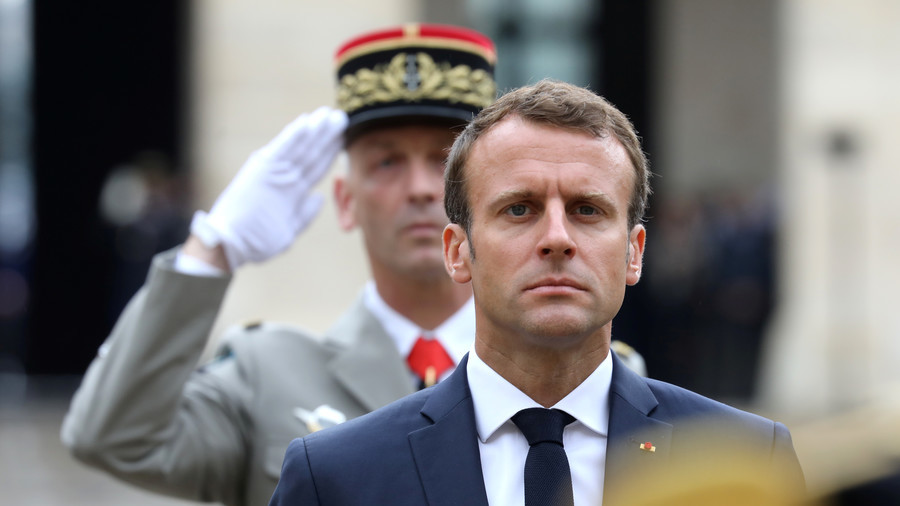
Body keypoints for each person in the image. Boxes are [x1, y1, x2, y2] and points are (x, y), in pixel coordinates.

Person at [268, 79, 805, 506]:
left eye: (587, 210)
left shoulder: (747, 461)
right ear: (457, 251)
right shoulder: (337, 475)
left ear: (634, 252)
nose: (556, 238)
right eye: (519, 209)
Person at [61, 24, 498, 506]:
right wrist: (211, 250)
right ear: (345, 201)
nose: (420, 189)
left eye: (444, 160)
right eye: (387, 163)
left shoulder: (543, 364)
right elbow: (112, 436)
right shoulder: (268, 376)